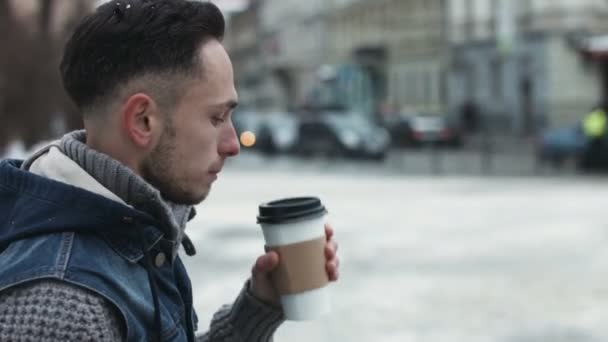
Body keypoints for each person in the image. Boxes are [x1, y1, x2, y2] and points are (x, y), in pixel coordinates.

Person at [0, 1, 340, 341]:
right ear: (143, 120)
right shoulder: (65, 308)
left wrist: (258, 308)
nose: (232, 144)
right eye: (216, 118)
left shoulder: (129, 225)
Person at [581, 104, 608, 170]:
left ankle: (589, 166)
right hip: (599, 136)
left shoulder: (592, 114)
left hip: (591, 136)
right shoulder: (601, 114)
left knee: (592, 152)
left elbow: (585, 125)